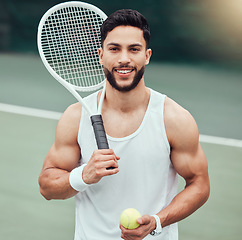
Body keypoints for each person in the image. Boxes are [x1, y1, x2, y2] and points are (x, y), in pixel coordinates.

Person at [38, 9, 210, 240]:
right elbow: (47, 187)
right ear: (101, 55)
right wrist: (83, 175)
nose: (124, 59)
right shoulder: (75, 117)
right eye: (114, 49)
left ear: (147, 55)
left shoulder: (174, 118)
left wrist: (158, 221)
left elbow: (199, 184)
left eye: (134, 49)